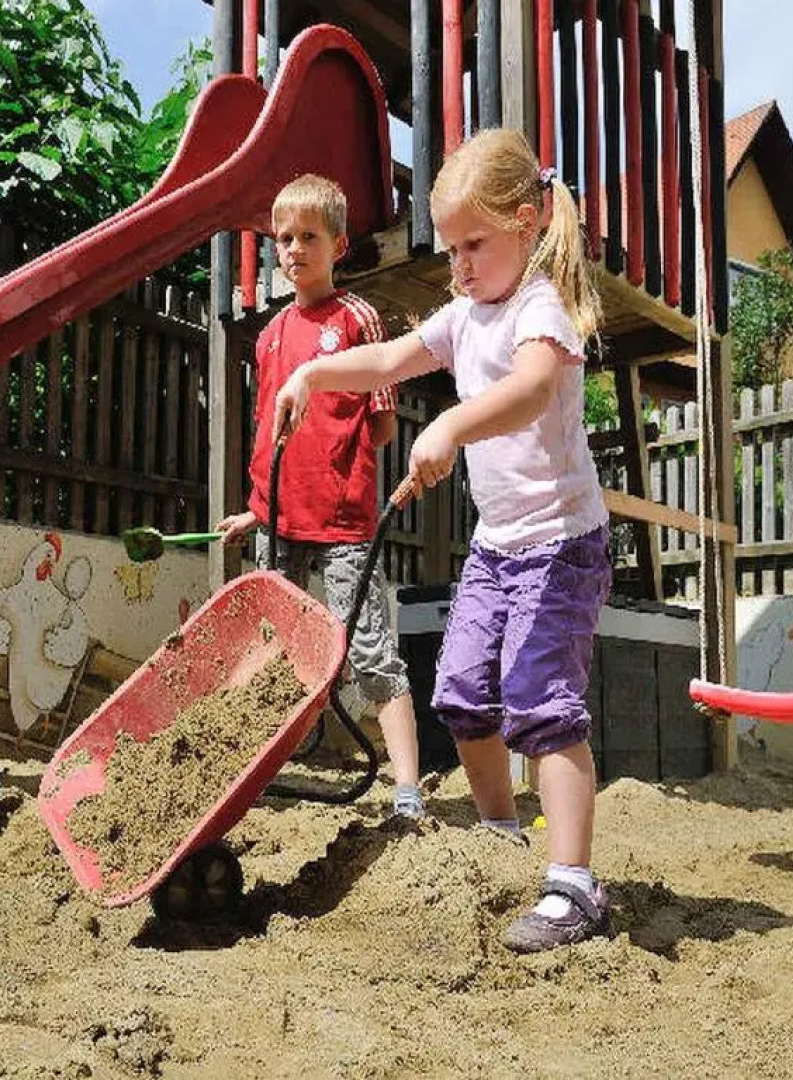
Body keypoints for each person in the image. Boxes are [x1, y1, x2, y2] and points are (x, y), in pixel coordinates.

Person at [271, 130, 612, 952]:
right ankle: (501, 841)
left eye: (474, 245)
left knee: (540, 703)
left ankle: (574, 884)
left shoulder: (539, 307)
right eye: (451, 249)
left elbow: (531, 391)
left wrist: (452, 426)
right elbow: (388, 359)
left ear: (527, 223)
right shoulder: (464, 316)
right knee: (460, 693)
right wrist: (312, 373)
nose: (460, 265)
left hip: (561, 545)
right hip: (497, 547)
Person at [215, 173, 425, 821]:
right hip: (280, 523)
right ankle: (246, 776)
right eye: (284, 238)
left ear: (339, 245)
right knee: (269, 647)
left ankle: (408, 790)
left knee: (370, 652)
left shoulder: (357, 319)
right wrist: (257, 510)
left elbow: (381, 422)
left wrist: (336, 468)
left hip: (344, 525)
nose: (295, 249)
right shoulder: (270, 335)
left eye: (310, 236)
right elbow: (268, 436)